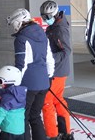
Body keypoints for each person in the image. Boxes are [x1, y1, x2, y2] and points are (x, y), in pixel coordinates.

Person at [7, 8, 55, 140]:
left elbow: (21, 65)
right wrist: (49, 77)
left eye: (13, 24)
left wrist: (15, 85)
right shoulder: (42, 33)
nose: (13, 27)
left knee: (23, 117)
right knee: (35, 115)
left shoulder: (21, 39)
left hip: (28, 84)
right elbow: (49, 58)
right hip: (44, 82)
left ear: (18, 22)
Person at [40, 1, 73, 140]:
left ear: (54, 14)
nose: (45, 19)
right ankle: (65, 132)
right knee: (58, 101)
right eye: (44, 16)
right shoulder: (54, 26)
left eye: (47, 16)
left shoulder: (59, 29)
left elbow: (66, 51)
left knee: (47, 102)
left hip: (56, 71)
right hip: (59, 70)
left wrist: (48, 58)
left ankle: (52, 135)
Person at [0, 66, 27, 140]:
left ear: (8, 82)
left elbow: (0, 114)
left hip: (8, 131)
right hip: (20, 131)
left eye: (0, 81)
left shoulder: (7, 98)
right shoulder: (21, 94)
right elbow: (7, 90)